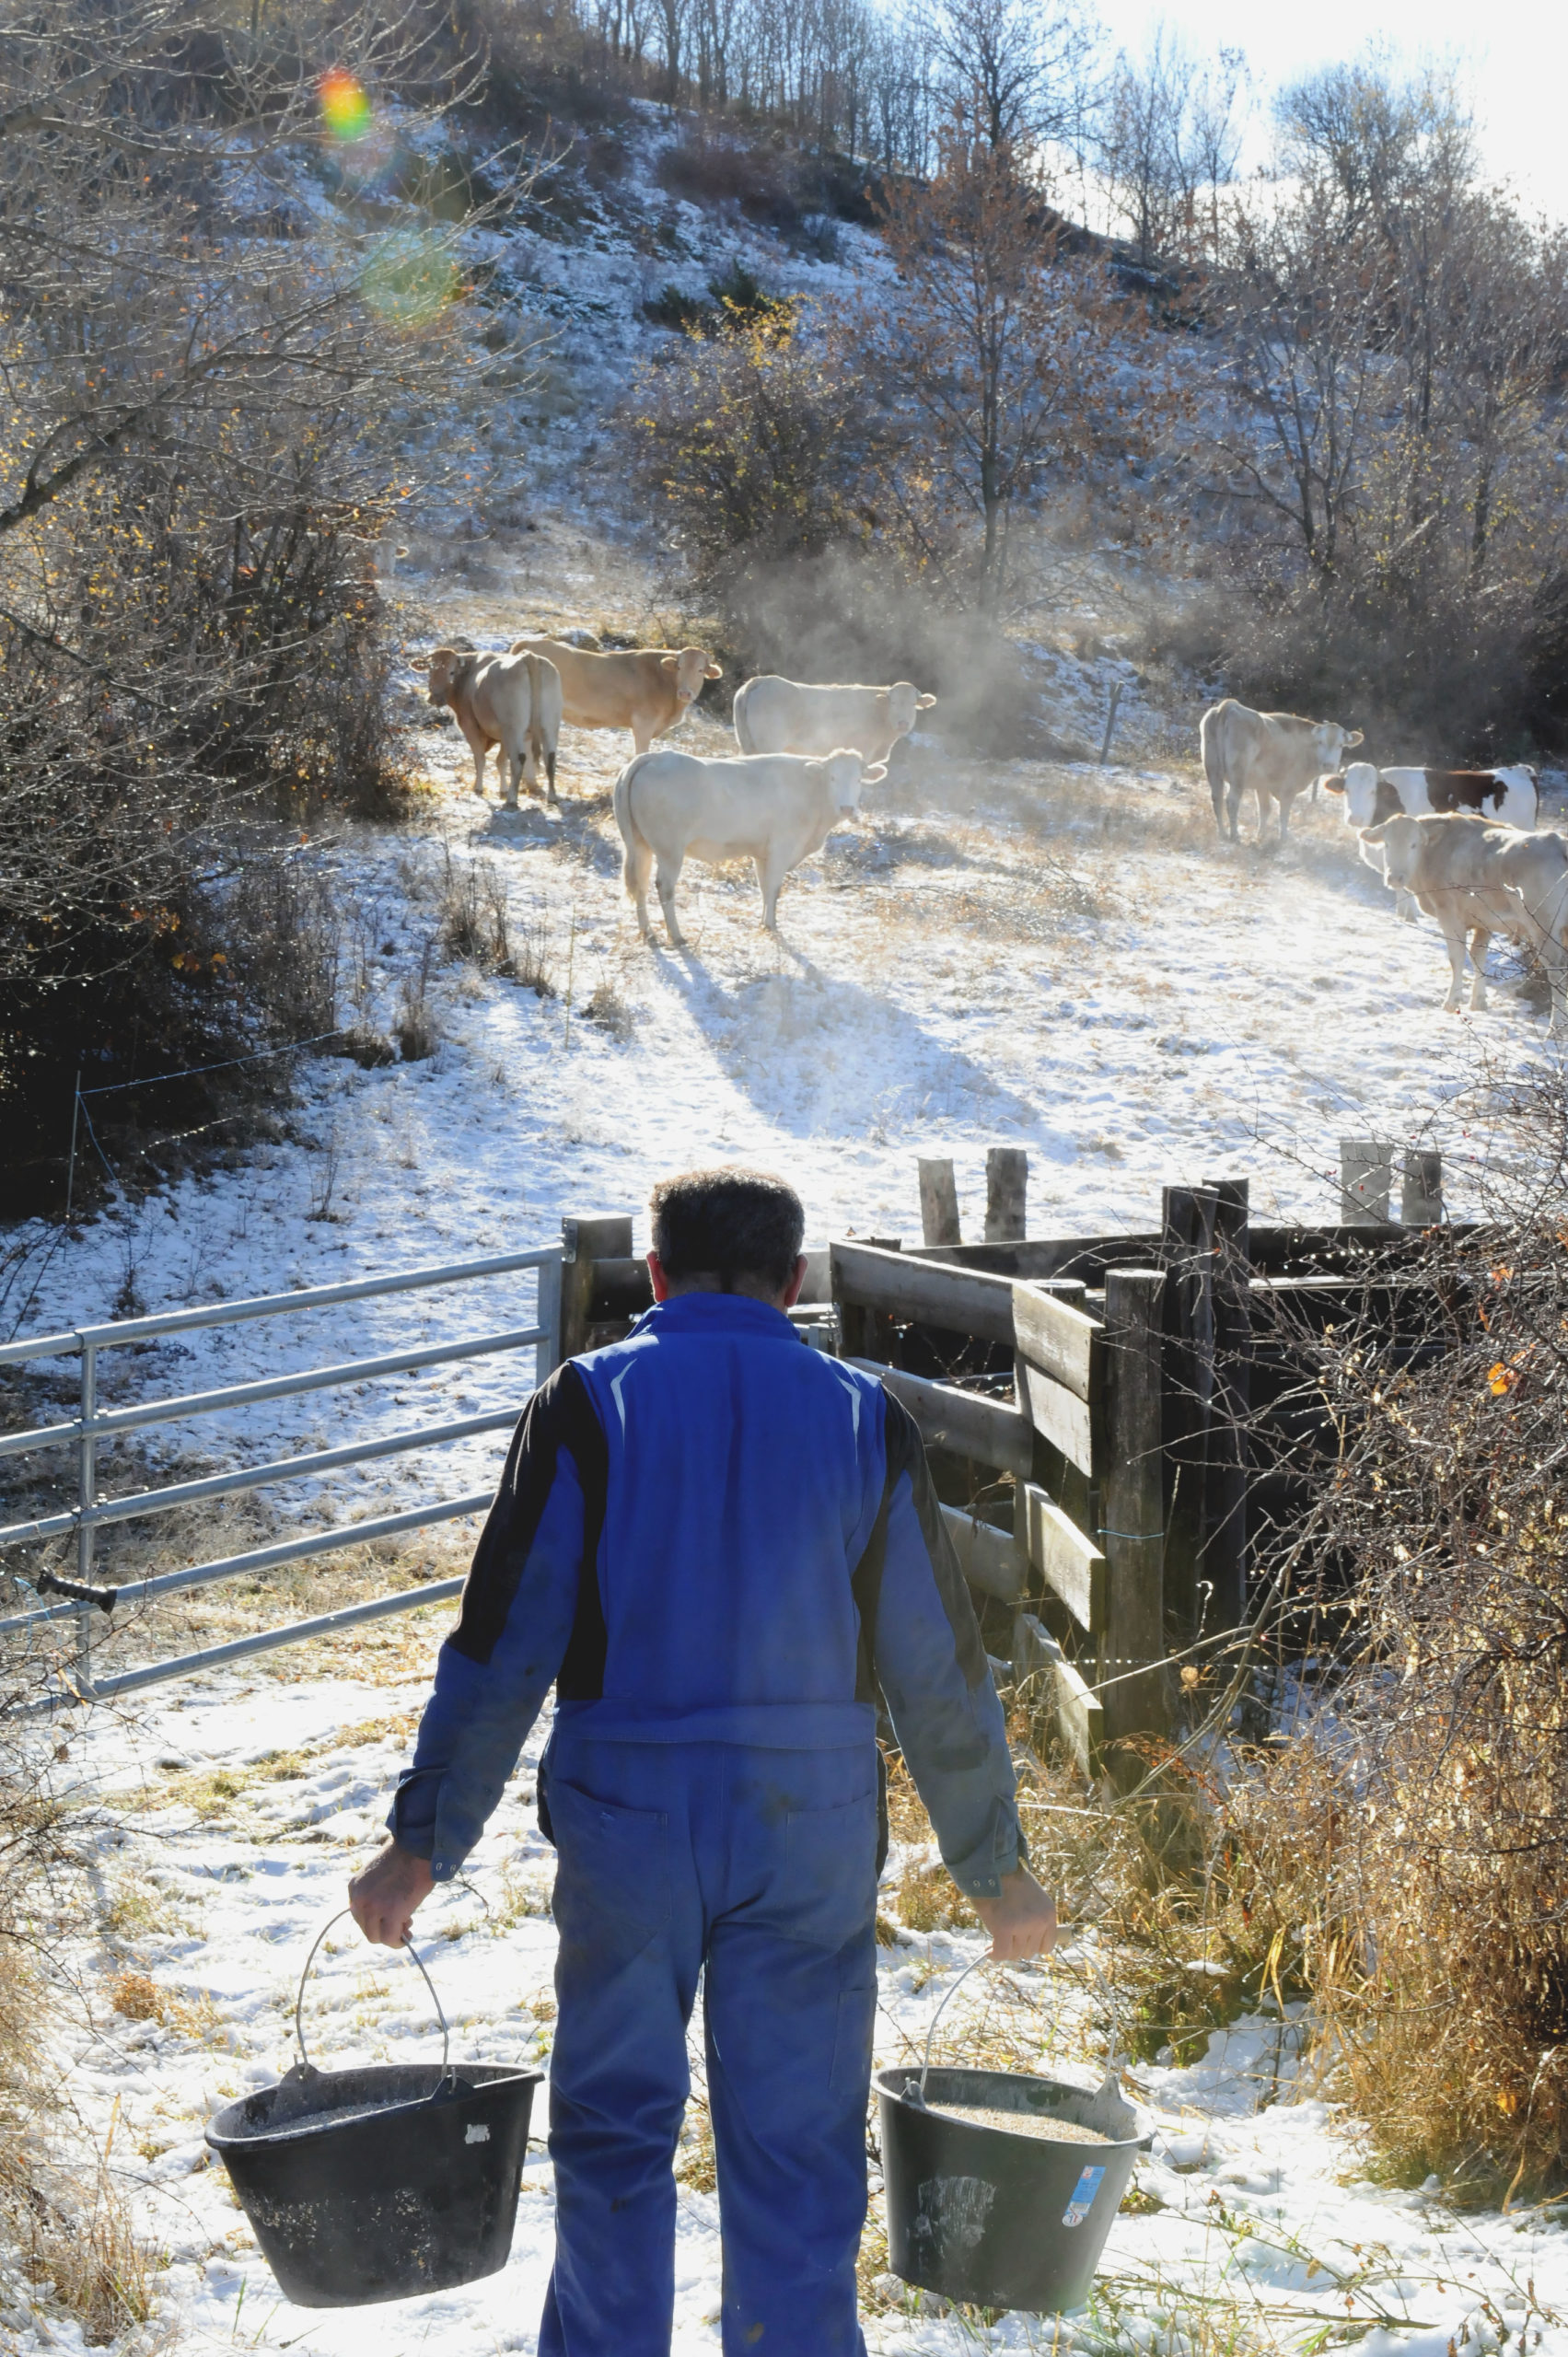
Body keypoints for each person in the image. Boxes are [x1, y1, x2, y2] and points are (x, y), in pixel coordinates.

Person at [349, 1166, 1056, 2357]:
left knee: (614, 2137)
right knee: (796, 2151)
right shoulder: (859, 1416)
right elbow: (938, 1664)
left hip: (628, 1816)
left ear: (656, 1277)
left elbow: (502, 1641)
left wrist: (423, 1842)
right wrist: (995, 1866)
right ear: (794, 1285)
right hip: (809, 1822)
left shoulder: (588, 1403)